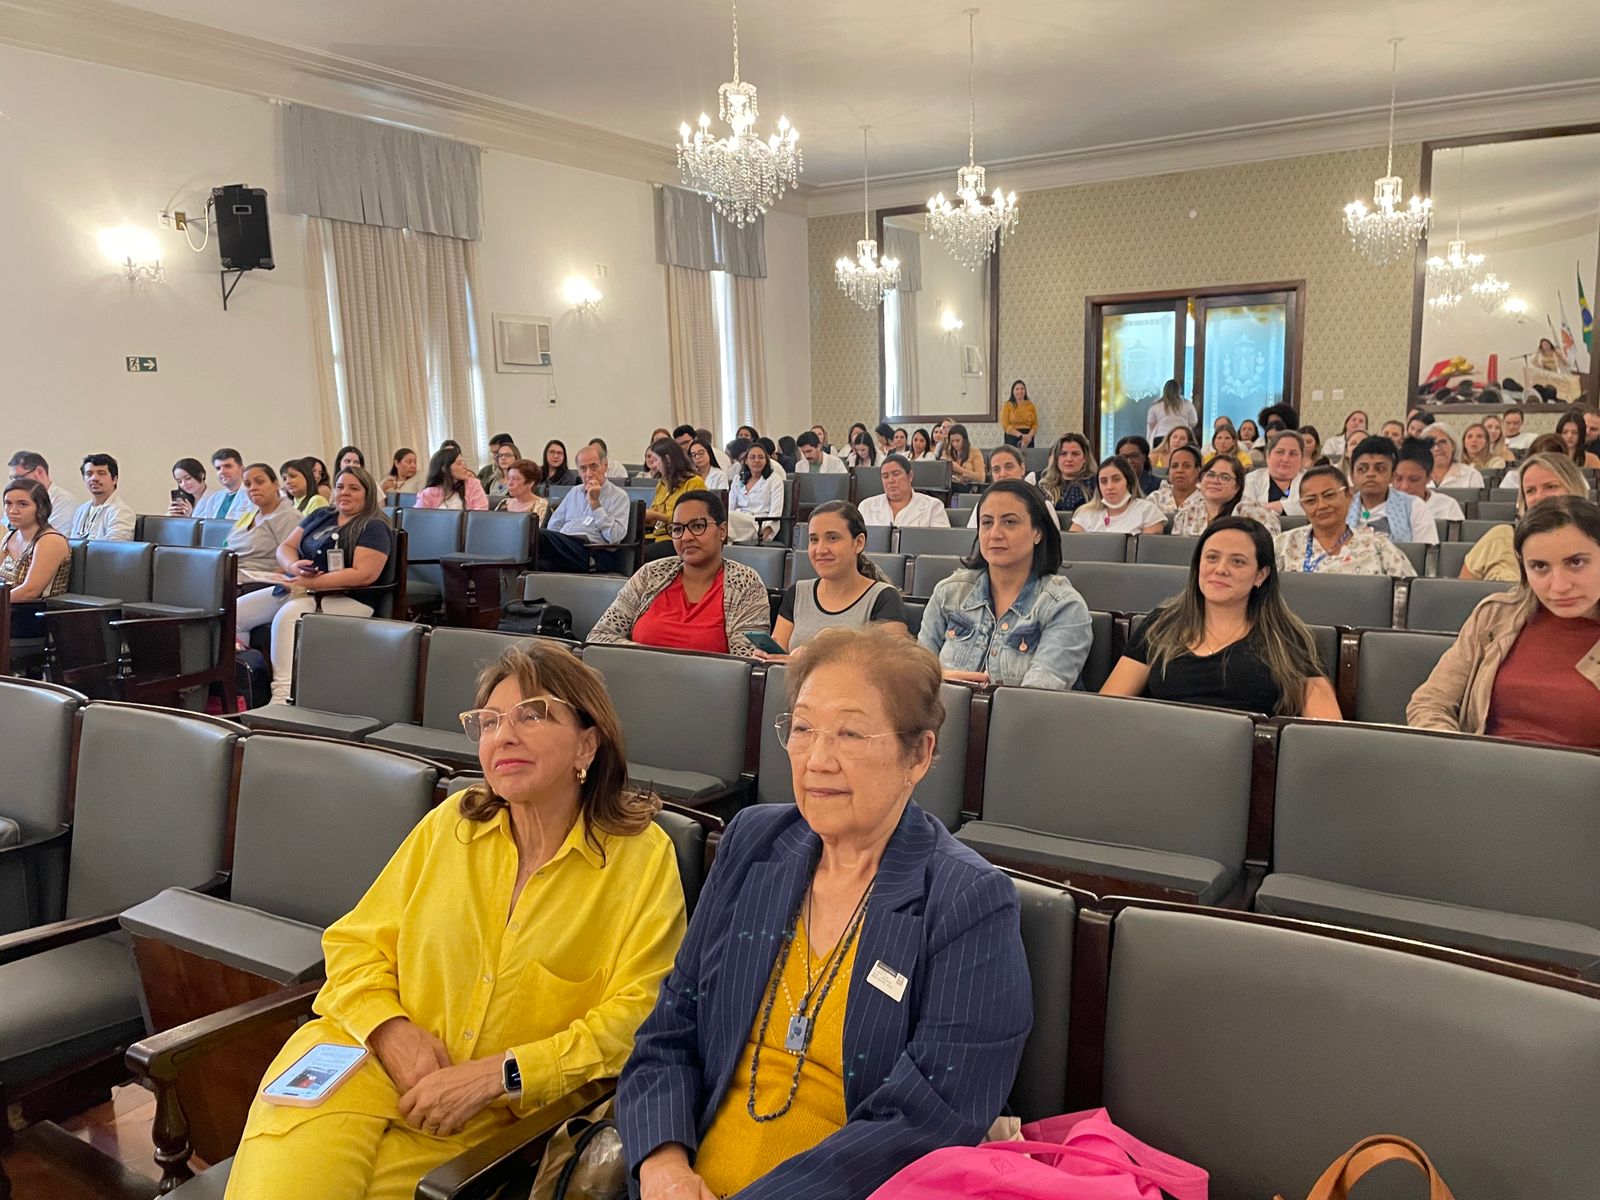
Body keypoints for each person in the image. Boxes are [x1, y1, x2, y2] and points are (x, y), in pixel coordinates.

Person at [226, 642, 685, 1200]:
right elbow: (354, 945)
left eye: (532, 715)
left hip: (486, 1121)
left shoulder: (640, 859)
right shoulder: (453, 823)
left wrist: (501, 1074)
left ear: (587, 743)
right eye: (489, 722)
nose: (503, 736)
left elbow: (635, 1020)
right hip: (356, 1058)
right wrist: (390, 1030)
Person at [619, 626, 1030, 1200]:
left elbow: (929, 1120)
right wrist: (662, 1166)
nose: (817, 760)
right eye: (803, 729)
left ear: (918, 754)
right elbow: (670, 1029)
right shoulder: (755, 841)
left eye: (851, 734)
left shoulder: (968, 900)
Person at [1101, 517, 1342, 717]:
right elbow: (1108, 708)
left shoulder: (1287, 637)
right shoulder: (1161, 624)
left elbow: (1325, 731)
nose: (1220, 569)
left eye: (1237, 561)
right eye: (1212, 557)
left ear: (1261, 574)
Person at [1409, 497, 1600, 747]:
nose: (1559, 586)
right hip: (1479, 766)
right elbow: (1429, 702)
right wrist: (1459, 756)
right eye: (1539, 566)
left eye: (1576, 562)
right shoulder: (1494, 617)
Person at [234, 466, 395, 705]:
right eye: (340, 487)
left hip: (349, 598)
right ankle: (250, 690)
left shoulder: (373, 526)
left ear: (368, 493)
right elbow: (286, 547)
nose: (344, 492)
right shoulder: (322, 515)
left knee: (288, 617)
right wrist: (293, 566)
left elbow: (364, 575)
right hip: (301, 587)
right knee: (237, 612)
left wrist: (313, 582)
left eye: (354, 488)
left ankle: (283, 698)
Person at [919, 481, 1092, 689]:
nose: (995, 534)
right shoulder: (948, 592)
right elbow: (915, 678)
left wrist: (939, 679)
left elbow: (1035, 697)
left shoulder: (1064, 607)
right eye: (987, 522)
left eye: (1009, 522)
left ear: (1037, 532)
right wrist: (939, 677)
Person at [588, 491, 770, 656]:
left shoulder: (745, 583)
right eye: (677, 529)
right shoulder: (650, 574)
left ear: (722, 531)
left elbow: (747, 660)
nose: (686, 537)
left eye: (697, 526)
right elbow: (599, 636)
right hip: (637, 676)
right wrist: (653, 658)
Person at [768, 502, 909, 655]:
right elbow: (778, 658)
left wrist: (815, 656)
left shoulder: (884, 597)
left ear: (859, 543)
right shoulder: (798, 592)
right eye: (814, 540)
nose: (820, 550)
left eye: (832, 538)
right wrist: (766, 656)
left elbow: (892, 662)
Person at [1460, 452, 1590, 582]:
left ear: (1574, 488)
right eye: (1530, 490)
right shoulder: (1501, 538)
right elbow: (1463, 589)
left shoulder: (1592, 540)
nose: (1538, 497)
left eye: (1550, 486)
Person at [1273, 465, 1416, 578]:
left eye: (1329, 495)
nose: (1321, 505)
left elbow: (1407, 594)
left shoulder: (1379, 547)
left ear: (1348, 495)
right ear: (1303, 506)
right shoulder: (1283, 544)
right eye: (1311, 500)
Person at [540, 443, 632, 572]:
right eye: (583, 468)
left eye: (594, 467)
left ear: (605, 466)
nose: (588, 474)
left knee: (538, 536)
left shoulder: (619, 496)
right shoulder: (574, 492)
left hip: (593, 553)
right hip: (565, 548)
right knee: (538, 563)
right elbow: (554, 526)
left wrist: (595, 504)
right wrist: (560, 542)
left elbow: (614, 538)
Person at [1, 480, 71, 641]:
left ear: (41, 507)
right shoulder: (10, 536)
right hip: (7, 610)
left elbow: (30, 591)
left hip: (32, 616)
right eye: (8, 503)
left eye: (23, 504)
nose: (13, 510)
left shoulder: (50, 540)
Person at [1346, 435, 1439, 545]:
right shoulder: (1342, 506)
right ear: (1352, 476)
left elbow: (1425, 552)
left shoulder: (1414, 506)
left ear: (1392, 476)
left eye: (1380, 469)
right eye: (1362, 469)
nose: (1370, 474)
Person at [1169, 453, 1281, 536]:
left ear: (1237, 487)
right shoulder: (1186, 513)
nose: (1215, 481)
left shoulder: (1255, 514)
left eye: (1224, 477)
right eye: (1210, 475)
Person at [227, 464, 302, 584]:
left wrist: (269, 580)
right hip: (229, 574)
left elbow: (295, 559)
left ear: (275, 484)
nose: (253, 488)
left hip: (257, 583)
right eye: (247, 484)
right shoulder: (248, 516)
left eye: (259, 482)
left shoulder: (288, 516)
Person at [642, 438, 706, 562]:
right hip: (657, 535)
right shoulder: (662, 483)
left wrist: (657, 516)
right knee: (628, 553)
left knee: (642, 555)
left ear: (667, 460)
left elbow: (691, 520)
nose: (654, 465)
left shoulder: (693, 483)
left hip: (679, 538)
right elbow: (655, 512)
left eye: (656, 460)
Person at [1072, 456, 1165, 534]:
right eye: (1103, 481)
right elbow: (1071, 547)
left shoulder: (1148, 511)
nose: (1109, 487)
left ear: (1129, 482)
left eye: (1116, 480)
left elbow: (1147, 549)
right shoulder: (1085, 513)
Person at [857, 455, 950, 528]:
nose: (890, 480)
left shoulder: (933, 506)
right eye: (885, 476)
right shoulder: (866, 506)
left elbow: (941, 542)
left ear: (910, 476)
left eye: (896, 474)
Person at [1392, 439, 1464, 526]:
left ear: (1429, 477)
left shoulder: (1447, 507)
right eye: (1398, 479)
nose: (1405, 486)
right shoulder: (1383, 504)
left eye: (1414, 479)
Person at [69, 453, 137, 541]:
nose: (94, 478)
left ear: (114, 479)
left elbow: (113, 546)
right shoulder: (81, 510)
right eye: (89, 474)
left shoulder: (122, 512)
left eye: (101, 473)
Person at [6, 452, 77, 536]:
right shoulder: (14, 500)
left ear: (39, 472)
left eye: (19, 477)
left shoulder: (63, 500)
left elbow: (53, 536)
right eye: (13, 479)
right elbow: (5, 530)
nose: (16, 483)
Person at [963, 446, 1036, 527]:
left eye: (1009, 467)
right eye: (996, 470)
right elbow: (972, 533)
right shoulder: (984, 504)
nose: (1003, 474)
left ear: (1022, 468)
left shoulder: (1037, 502)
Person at [729, 440, 784, 542]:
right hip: (738, 521)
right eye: (752, 457)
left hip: (759, 524)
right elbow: (730, 506)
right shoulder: (738, 479)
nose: (757, 460)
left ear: (766, 460)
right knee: (725, 517)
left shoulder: (774, 479)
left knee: (727, 522)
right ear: (746, 461)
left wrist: (764, 533)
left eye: (761, 457)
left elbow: (776, 512)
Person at [1243, 429, 1307, 516]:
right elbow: (1245, 510)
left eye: (1293, 454)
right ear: (1268, 456)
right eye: (1280, 452)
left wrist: (1279, 506)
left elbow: (1313, 506)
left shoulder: (1310, 480)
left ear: (1302, 459)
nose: (1285, 459)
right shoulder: (1252, 479)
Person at [1037, 433, 1097, 515]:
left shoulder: (1096, 484)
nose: (1069, 459)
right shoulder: (1042, 485)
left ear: (1085, 458)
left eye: (1075, 454)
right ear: (1056, 458)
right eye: (1063, 454)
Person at [416, 446, 490, 511]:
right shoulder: (427, 494)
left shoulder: (473, 485)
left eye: (463, 462)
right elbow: (418, 518)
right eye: (459, 463)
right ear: (445, 468)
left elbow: (480, 515)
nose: (465, 467)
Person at [193, 448, 253, 520]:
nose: (222, 471)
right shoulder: (214, 498)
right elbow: (205, 524)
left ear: (242, 469)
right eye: (218, 468)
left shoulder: (252, 496)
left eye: (228, 466)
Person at [1421, 426, 1486, 490]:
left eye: (1442, 442)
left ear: (1453, 446)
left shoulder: (1471, 475)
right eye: (1431, 444)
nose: (1437, 448)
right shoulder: (1418, 477)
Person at [1151, 444, 1201, 515]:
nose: (1179, 470)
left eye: (1186, 466)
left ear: (1197, 471)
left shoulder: (1207, 501)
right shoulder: (1155, 498)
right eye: (1174, 466)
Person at [1147, 379, 1198, 447]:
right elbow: (1193, 422)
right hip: (1181, 437)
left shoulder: (1156, 405)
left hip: (1161, 436)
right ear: (1179, 390)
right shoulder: (1187, 404)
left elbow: (1151, 423)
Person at [944, 424, 986, 490]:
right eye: (952, 441)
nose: (955, 444)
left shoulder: (975, 452)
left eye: (957, 440)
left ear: (964, 439)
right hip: (950, 487)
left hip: (968, 488)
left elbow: (981, 478)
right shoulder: (946, 453)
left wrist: (959, 469)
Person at [1002, 379, 1039, 447]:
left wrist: (1028, 437)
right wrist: (1021, 436)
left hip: (1028, 438)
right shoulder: (1007, 405)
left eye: (1022, 389)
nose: (1020, 391)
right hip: (1012, 437)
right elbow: (1006, 425)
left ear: (1025, 391)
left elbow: (1035, 425)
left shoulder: (1031, 405)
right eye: (1017, 389)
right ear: (1013, 391)